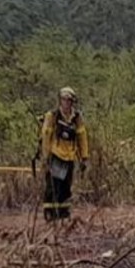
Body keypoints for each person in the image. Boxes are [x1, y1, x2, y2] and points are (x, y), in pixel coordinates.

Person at [36, 87, 89, 221]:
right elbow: (46, 136)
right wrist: (45, 157)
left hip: (70, 157)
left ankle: (64, 214)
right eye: (64, 99)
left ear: (72, 102)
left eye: (69, 100)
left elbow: (82, 137)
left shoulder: (77, 118)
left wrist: (84, 157)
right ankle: (50, 214)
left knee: (66, 188)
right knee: (54, 186)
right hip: (55, 156)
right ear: (60, 100)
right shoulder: (52, 116)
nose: (66, 103)